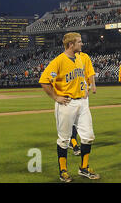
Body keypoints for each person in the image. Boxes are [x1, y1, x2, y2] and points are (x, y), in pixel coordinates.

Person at [39, 32, 100, 183]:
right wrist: (55, 97)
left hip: (82, 103)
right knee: (64, 139)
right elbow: (44, 81)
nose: (82, 44)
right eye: (79, 42)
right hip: (66, 103)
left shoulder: (80, 58)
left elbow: (85, 76)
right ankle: (63, 171)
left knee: (88, 137)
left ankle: (84, 168)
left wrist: (87, 87)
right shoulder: (59, 61)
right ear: (70, 45)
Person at [69, 50, 97, 156]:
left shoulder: (85, 57)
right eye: (79, 42)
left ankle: (76, 143)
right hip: (72, 93)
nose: (81, 44)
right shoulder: (67, 57)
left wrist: (92, 85)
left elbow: (90, 72)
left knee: (81, 121)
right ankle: (74, 143)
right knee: (72, 120)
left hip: (83, 92)